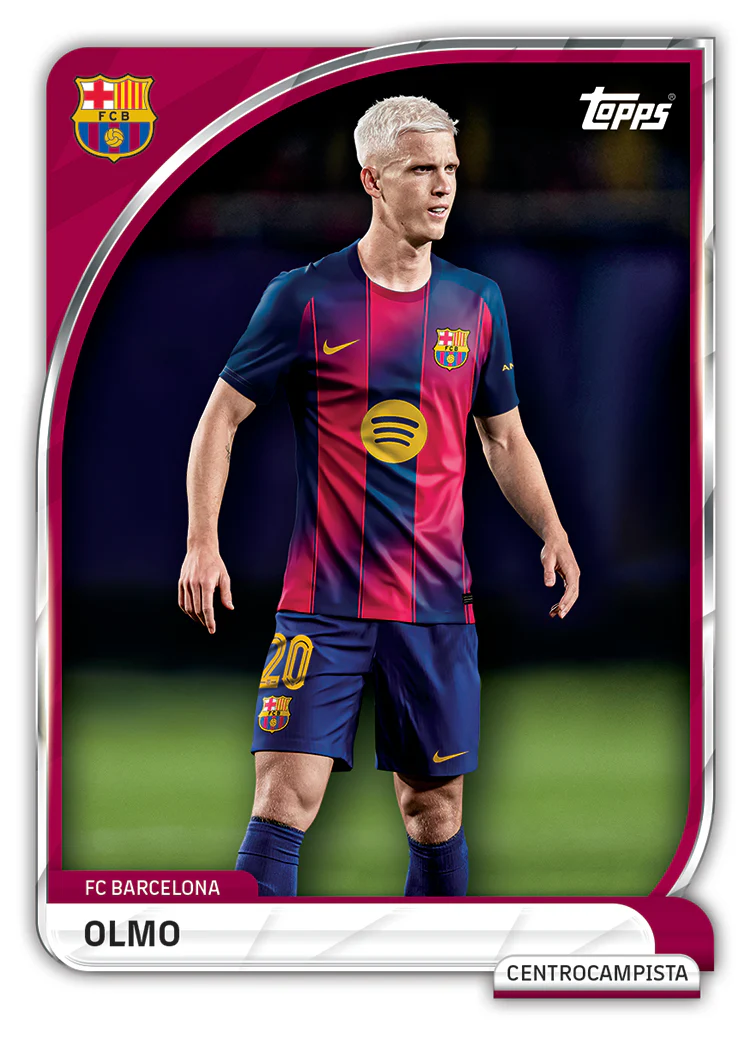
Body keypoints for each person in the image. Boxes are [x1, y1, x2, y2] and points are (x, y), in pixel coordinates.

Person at [178, 95, 580, 897]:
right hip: (321, 605)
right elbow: (220, 418)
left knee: (434, 813)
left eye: (451, 169)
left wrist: (553, 529)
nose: (443, 186)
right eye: (422, 169)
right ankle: (242, 973)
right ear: (371, 178)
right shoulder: (303, 297)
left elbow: (503, 438)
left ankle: (431, 972)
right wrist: (201, 540)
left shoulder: (476, 302)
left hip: (435, 606)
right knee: (281, 801)